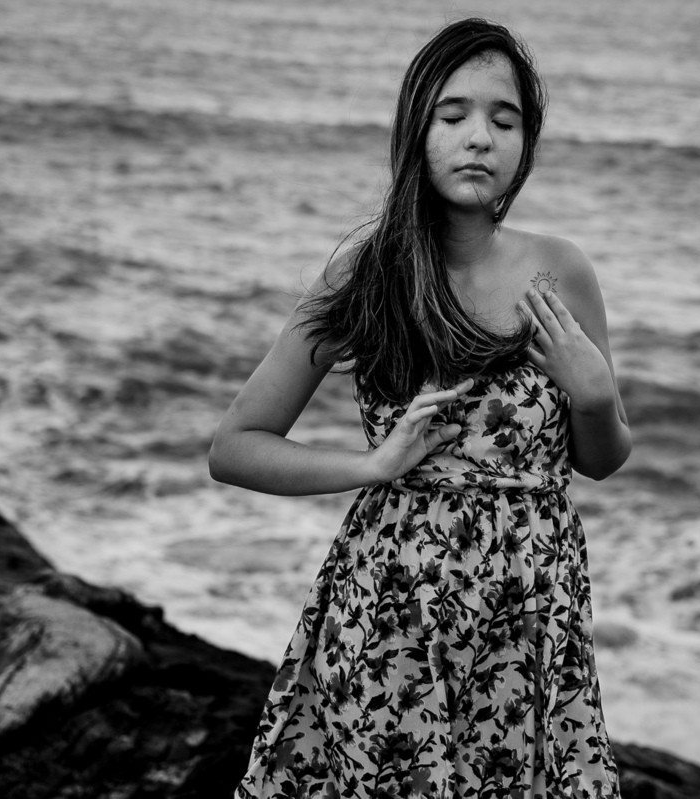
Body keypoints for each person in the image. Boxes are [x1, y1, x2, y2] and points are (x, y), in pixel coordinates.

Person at [209, 16, 630, 799]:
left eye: (505, 121)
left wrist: (596, 396)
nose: (480, 138)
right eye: (453, 115)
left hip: (530, 619)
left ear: (526, 145)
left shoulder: (560, 271)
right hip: (393, 617)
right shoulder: (367, 272)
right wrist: (372, 465)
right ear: (416, 129)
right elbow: (235, 446)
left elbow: (602, 459)